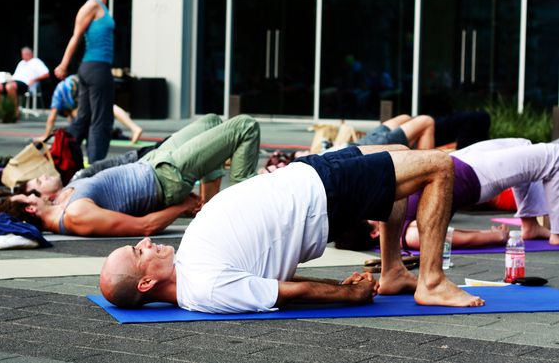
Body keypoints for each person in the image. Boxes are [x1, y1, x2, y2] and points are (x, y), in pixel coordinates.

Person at [100, 145, 486, 312]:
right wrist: (348, 296)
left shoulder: (191, 269)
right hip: (322, 195)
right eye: (139, 252)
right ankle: (432, 281)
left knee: (401, 155)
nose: (146, 242)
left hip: (310, 177)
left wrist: (344, 287)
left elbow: (266, 274)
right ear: (146, 283)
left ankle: (393, 271)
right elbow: (286, 292)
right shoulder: (205, 289)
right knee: (439, 166)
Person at [0, 114, 260, 237]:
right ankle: (244, 206)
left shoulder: (61, 199)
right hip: (164, 178)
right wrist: (183, 205)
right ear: (31, 207)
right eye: (29, 195)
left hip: (153, 162)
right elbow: (145, 227)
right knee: (245, 126)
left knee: (212, 121)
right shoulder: (75, 216)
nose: (34, 193)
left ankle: (211, 212)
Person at [336, 138, 558, 251]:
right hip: (477, 176)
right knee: (553, 156)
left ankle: (530, 224)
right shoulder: (407, 235)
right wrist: (498, 236)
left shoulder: (381, 208)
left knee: (523, 144)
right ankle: (557, 233)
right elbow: (457, 237)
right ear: (375, 232)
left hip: (459, 160)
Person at [54, 0, 117, 163]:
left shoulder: (101, 6)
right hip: (97, 68)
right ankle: (95, 168)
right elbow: (76, 37)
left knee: (85, 117)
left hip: (91, 68)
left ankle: (61, 153)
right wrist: (63, 65)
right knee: (101, 119)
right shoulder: (93, 5)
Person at [38, 74, 143, 144]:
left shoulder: (58, 95)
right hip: (91, 78)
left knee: (106, 107)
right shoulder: (68, 94)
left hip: (83, 83)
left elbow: (52, 117)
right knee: (106, 106)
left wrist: (46, 136)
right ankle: (134, 128)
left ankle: (134, 128)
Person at [0, 47, 50, 115]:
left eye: (24, 54)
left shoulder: (36, 62)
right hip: (13, 81)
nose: (22, 56)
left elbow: (46, 74)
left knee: (10, 86)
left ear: (29, 54)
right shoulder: (21, 63)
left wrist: (34, 80)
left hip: (25, 84)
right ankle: (1, 110)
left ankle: (14, 111)